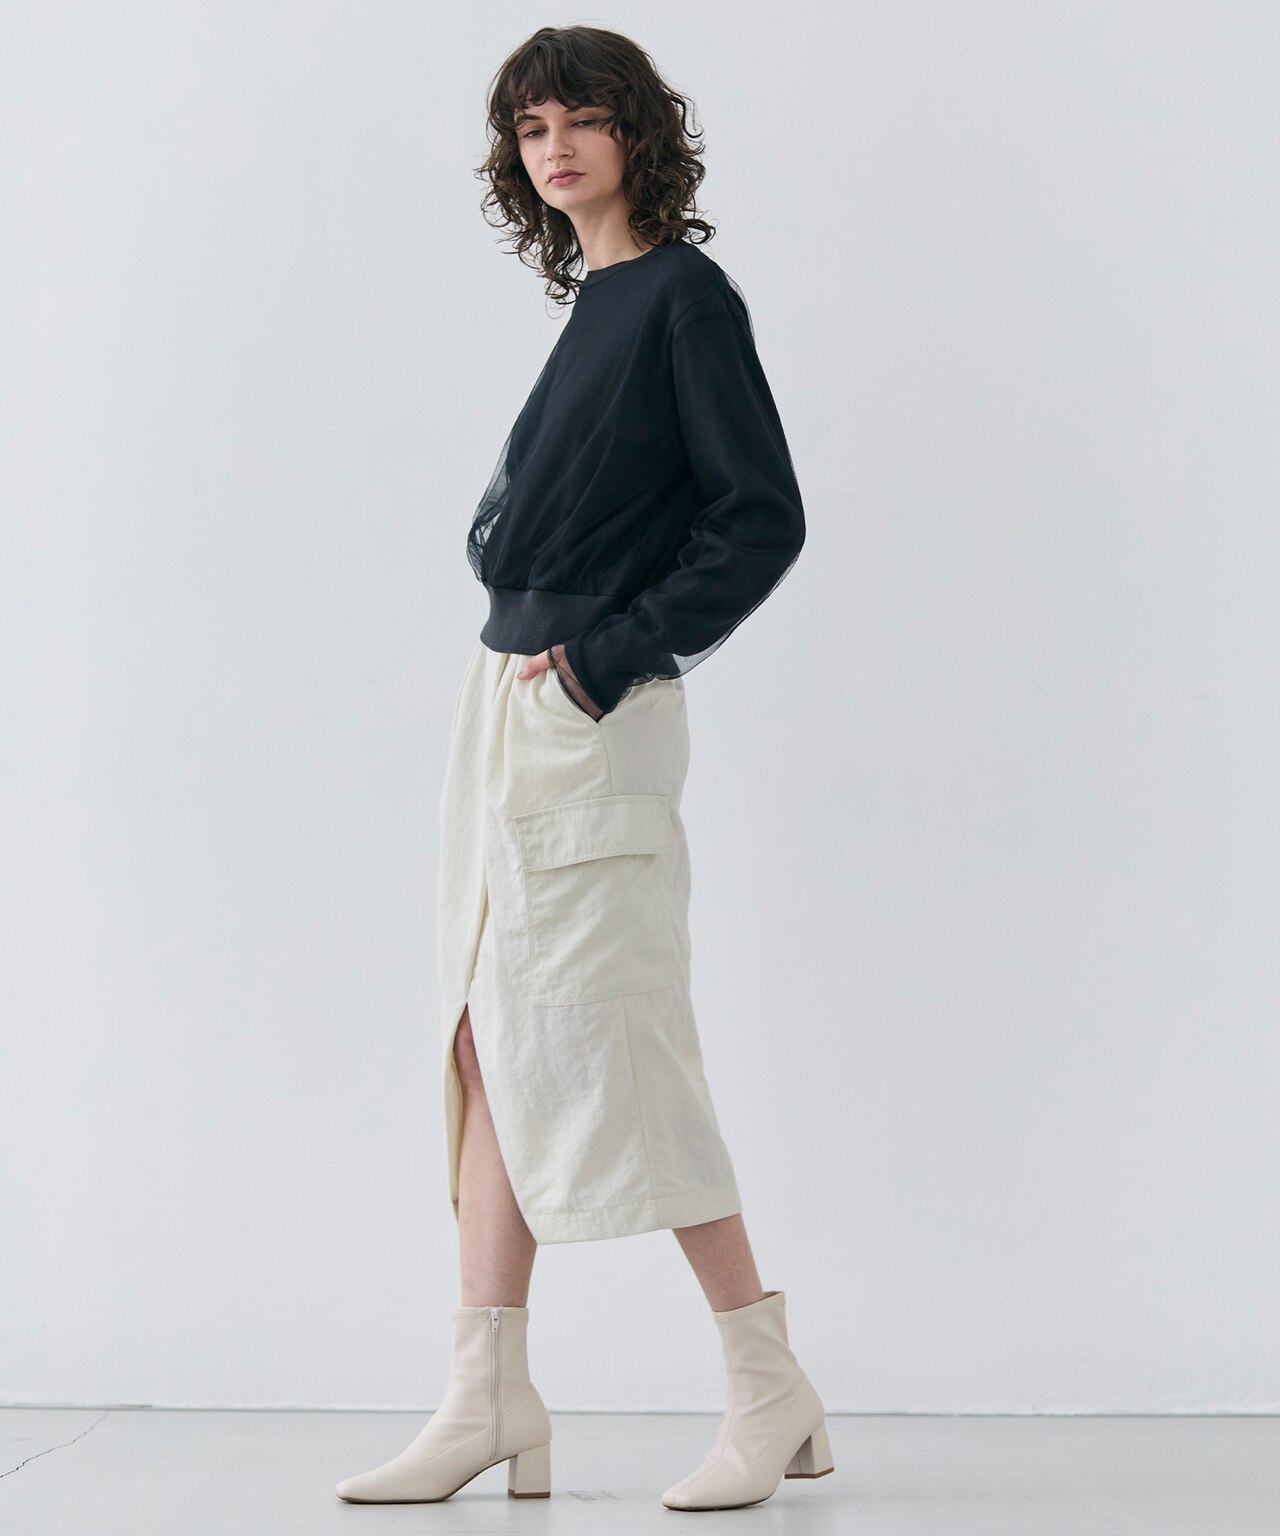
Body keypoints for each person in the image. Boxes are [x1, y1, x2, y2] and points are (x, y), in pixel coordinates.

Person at [335, 24, 832, 1513]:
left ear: (637, 135)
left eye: (583, 119)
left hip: (584, 711)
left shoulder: (682, 297)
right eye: (532, 127)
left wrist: (606, 662)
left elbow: (760, 518)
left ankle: (767, 1384)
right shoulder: (601, 300)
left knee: (621, 1050)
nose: (555, 148)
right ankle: (487, 1394)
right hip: (511, 705)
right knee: (488, 1039)